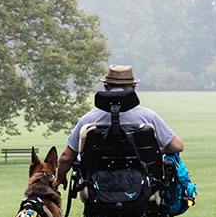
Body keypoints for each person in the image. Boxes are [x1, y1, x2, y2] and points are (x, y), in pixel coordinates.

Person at [56, 65, 184, 181]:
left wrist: (59, 179)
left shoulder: (88, 120)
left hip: (98, 190)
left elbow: (65, 158)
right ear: (134, 88)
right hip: (143, 189)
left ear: (106, 87)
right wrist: (156, 151)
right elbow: (177, 146)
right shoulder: (148, 117)